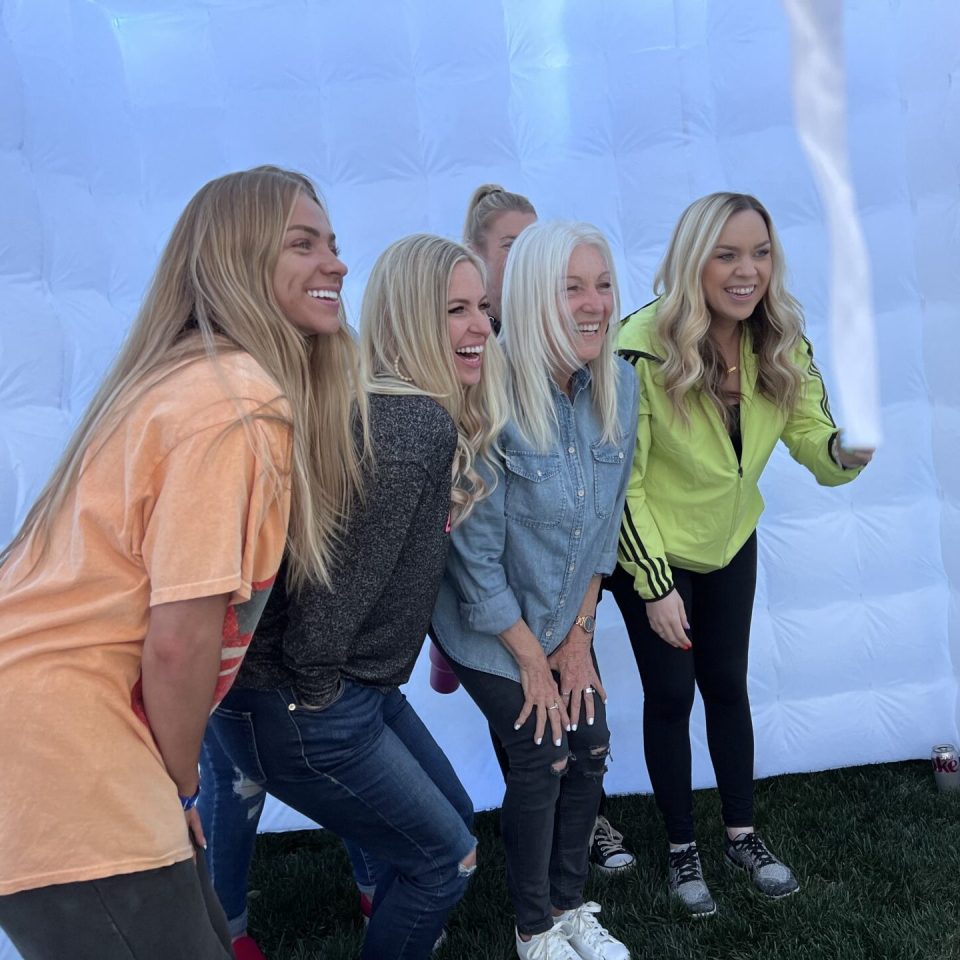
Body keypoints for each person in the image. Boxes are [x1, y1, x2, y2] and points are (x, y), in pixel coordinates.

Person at [0, 166, 365, 960]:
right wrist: (177, 784)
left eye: (333, 244)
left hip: (69, 747)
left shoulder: (187, 382)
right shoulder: (234, 405)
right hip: (63, 754)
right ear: (236, 259)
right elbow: (179, 642)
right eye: (302, 243)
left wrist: (165, 788)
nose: (336, 262)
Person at [202, 233, 505, 960]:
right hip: (314, 700)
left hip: (346, 690)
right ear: (406, 319)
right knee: (444, 860)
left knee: (454, 822)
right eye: (455, 311)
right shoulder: (413, 427)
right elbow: (334, 596)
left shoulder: (387, 408)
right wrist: (315, 708)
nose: (478, 329)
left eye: (483, 309)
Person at [607, 192, 873, 917]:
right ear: (695, 261)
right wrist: (654, 585)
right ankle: (682, 848)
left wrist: (846, 452)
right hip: (655, 556)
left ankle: (741, 834)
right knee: (670, 695)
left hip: (730, 543)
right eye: (727, 254)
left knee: (726, 684)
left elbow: (813, 437)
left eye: (759, 252)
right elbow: (620, 482)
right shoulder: (637, 346)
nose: (746, 270)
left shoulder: (780, 337)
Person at [433, 220, 639, 960]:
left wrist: (578, 640)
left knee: (591, 745)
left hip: (561, 615)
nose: (594, 305)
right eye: (572, 287)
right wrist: (531, 659)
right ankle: (534, 929)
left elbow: (603, 529)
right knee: (543, 749)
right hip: (484, 622)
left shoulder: (621, 386)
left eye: (604, 285)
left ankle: (570, 904)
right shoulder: (494, 397)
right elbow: (474, 565)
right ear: (529, 297)